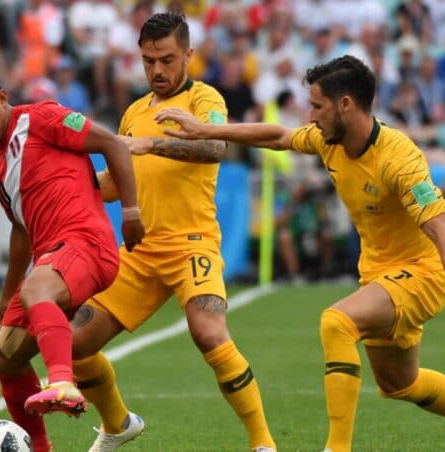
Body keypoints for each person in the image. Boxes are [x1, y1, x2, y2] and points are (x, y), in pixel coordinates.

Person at [154, 55, 445, 452]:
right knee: (400, 383)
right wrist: (205, 130)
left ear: (345, 104)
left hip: (422, 273)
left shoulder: (400, 159)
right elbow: (277, 136)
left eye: (316, 106)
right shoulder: (330, 142)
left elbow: (443, 231)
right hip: (379, 272)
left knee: (336, 323)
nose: (310, 117)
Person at [69, 12, 276, 452]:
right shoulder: (133, 112)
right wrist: (69, 185)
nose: (157, 71)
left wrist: (150, 144)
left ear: (188, 55)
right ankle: (118, 424)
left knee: (209, 333)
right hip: (140, 250)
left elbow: (215, 146)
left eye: (166, 59)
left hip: (192, 244)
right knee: (73, 344)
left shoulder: (205, 99)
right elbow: (116, 181)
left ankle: (262, 443)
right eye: (148, 61)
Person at [0, 69, 145, 452]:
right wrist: (7, 295)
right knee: (5, 356)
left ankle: (61, 382)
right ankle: (39, 448)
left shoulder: (41, 118)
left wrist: (131, 212)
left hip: (89, 244)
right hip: (52, 259)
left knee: (39, 288)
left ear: (2, 98)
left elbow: (113, 145)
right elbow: (22, 231)